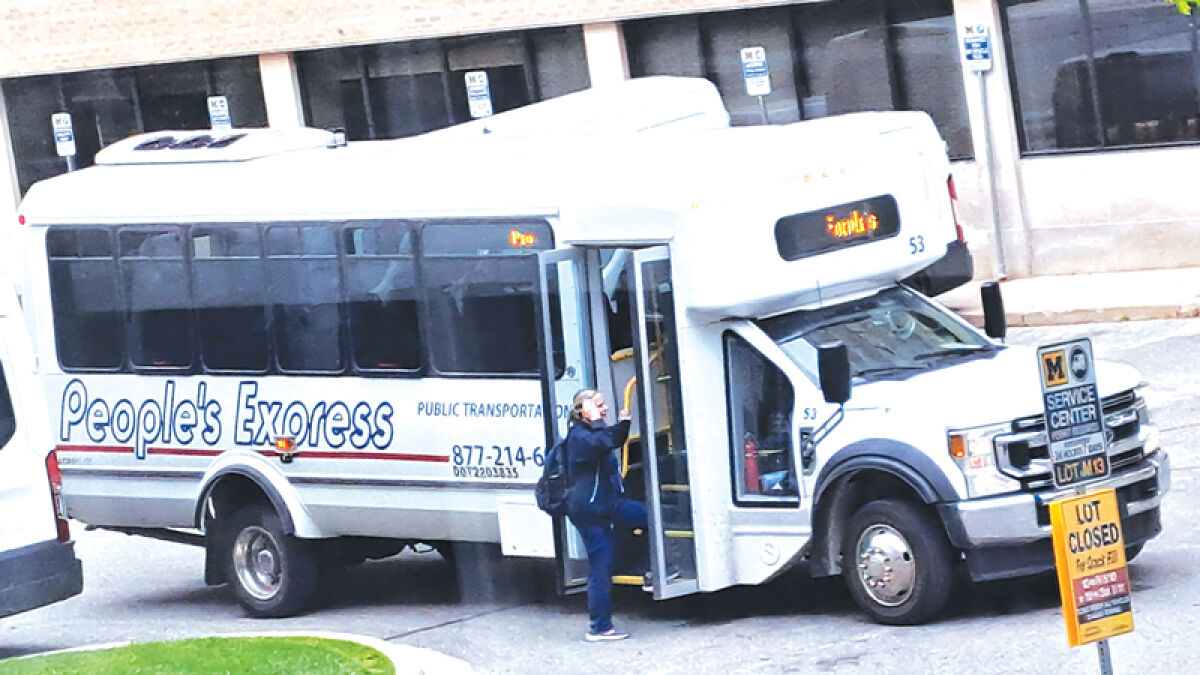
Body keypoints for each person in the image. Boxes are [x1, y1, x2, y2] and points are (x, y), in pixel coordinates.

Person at [565, 388, 646, 642]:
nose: (604, 409)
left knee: (650, 516)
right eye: (598, 406)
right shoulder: (580, 436)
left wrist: (624, 423)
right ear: (583, 411)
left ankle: (646, 565)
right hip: (590, 510)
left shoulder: (590, 432)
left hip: (607, 504)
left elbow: (613, 439)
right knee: (600, 566)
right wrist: (601, 422)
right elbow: (603, 442)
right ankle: (600, 627)